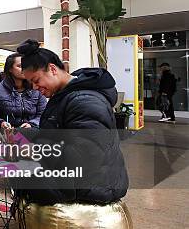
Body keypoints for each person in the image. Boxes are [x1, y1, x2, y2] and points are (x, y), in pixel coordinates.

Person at [15, 39, 128, 204]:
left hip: (93, 184)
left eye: (36, 80)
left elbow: (86, 156)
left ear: (52, 69)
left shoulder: (84, 101)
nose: (34, 88)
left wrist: (34, 150)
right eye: (30, 83)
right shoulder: (66, 95)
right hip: (85, 177)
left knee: (15, 167)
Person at [0, 53, 47, 131]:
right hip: (6, 135)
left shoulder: (36, 88)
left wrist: (32, 124)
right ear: (10, 69)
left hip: (31, 134)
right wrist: (1, 123)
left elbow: (44, 115)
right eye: (20, 66)